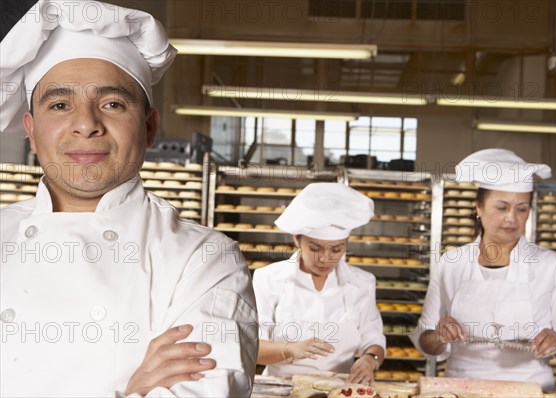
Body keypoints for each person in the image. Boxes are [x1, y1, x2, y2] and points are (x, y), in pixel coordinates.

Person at [0, 1, 257, 396]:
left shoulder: (203, 259)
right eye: (60, 105)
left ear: (150, 127)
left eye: (112, 104)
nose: (86, 124)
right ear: (31, 131)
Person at [411, 149, 556, 391]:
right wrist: (439, 335)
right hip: (461, 388)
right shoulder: (452, 262)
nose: (512, 218)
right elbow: (426, 340)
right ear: (479, 208)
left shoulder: (551, 265)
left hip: (530, 388)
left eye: (522, 209)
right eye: (502, 207)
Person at [252, 182, 386, 384]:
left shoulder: (363, 282)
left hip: (340, 389)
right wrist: (289, 349)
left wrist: (370, 359)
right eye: (315, 248)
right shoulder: (268, 279)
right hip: (282, 388)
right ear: (297, 240)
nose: (325, 258)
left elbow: (373, 337)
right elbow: (252, 348)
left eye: (336, 249)